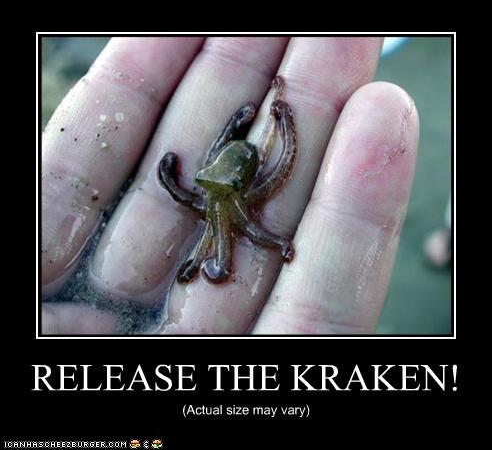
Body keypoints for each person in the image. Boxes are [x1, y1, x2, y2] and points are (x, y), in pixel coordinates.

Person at [41, 37, 420, 335]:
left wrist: (282, 122)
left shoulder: (238, 189)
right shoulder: (217, 189)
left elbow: (280, 163)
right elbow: (256, 163)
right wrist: (272, 123)